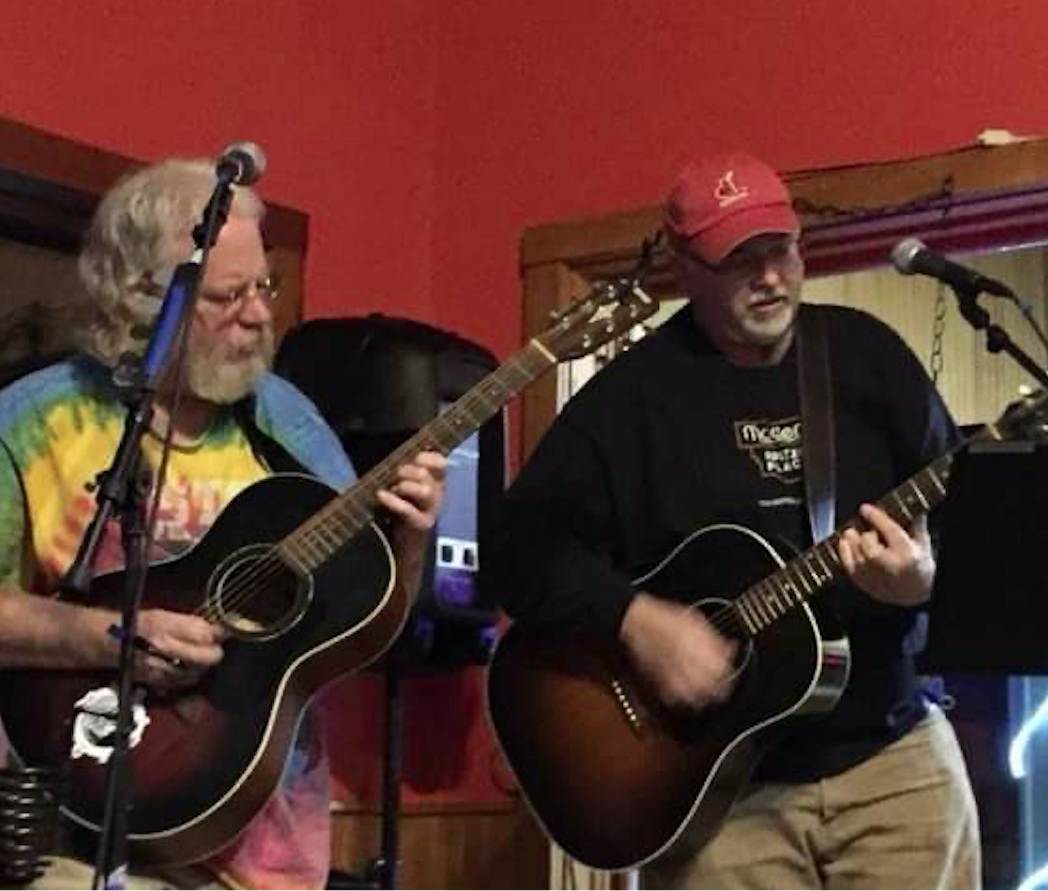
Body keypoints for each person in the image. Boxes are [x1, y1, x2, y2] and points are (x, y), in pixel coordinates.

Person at [491, 150, 981, 889]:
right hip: (717, 796)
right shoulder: (630, 402)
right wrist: (635, 620)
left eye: (781, 250)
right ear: (684, 268)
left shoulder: (866, 358)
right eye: (739, 260)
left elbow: (972, 527)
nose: (771, 277)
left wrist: (924, 580)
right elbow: (516, 548)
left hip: (892, 759)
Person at [0, 157, 446, 889]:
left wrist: (410, 538)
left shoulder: (289, 423)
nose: (261, 315)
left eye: (263, 287)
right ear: (144, 299)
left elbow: (366, 626)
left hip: (269, 851)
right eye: (228, 295)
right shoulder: (33, 420)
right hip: (75, 835)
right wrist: (111, 636)